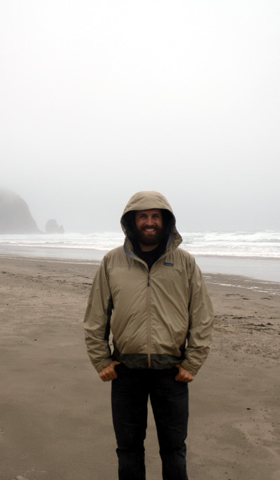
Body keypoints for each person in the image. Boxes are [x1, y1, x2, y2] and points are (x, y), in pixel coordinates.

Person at [84, 191, 214, 480]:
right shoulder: (112, 262)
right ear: (132, 221)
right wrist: (100, 360)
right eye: (143, 216)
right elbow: (95, 316)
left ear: (165, 221)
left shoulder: (185, 263)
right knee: (128, 449)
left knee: (174, 449)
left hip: (172, 373)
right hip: (125, 372)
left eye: (156, 216)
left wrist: (192, 363)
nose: (150, 222)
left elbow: (202, 316)